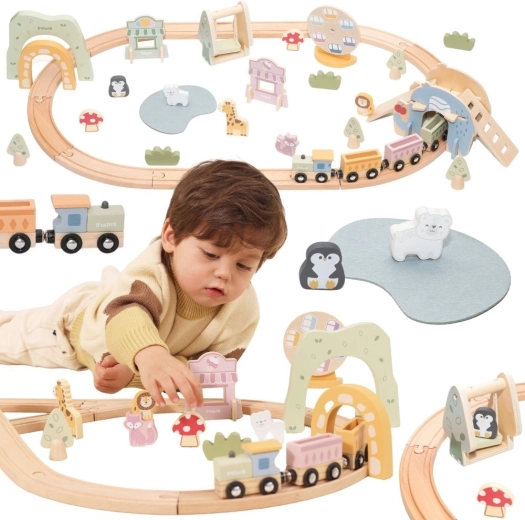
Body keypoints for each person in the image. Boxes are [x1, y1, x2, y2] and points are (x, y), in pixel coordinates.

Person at [0, 160, 287, 409]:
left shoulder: (243, 311)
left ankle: (116, 285)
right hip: (75, 328)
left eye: (243, 266)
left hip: (127, 325)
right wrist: (149, 354)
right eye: (211, 255)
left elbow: (211, 369)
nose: (225, 274)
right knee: (8, 337)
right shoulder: (153, 272)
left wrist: (134, 373)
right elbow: (126, 314)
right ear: (171, 237)